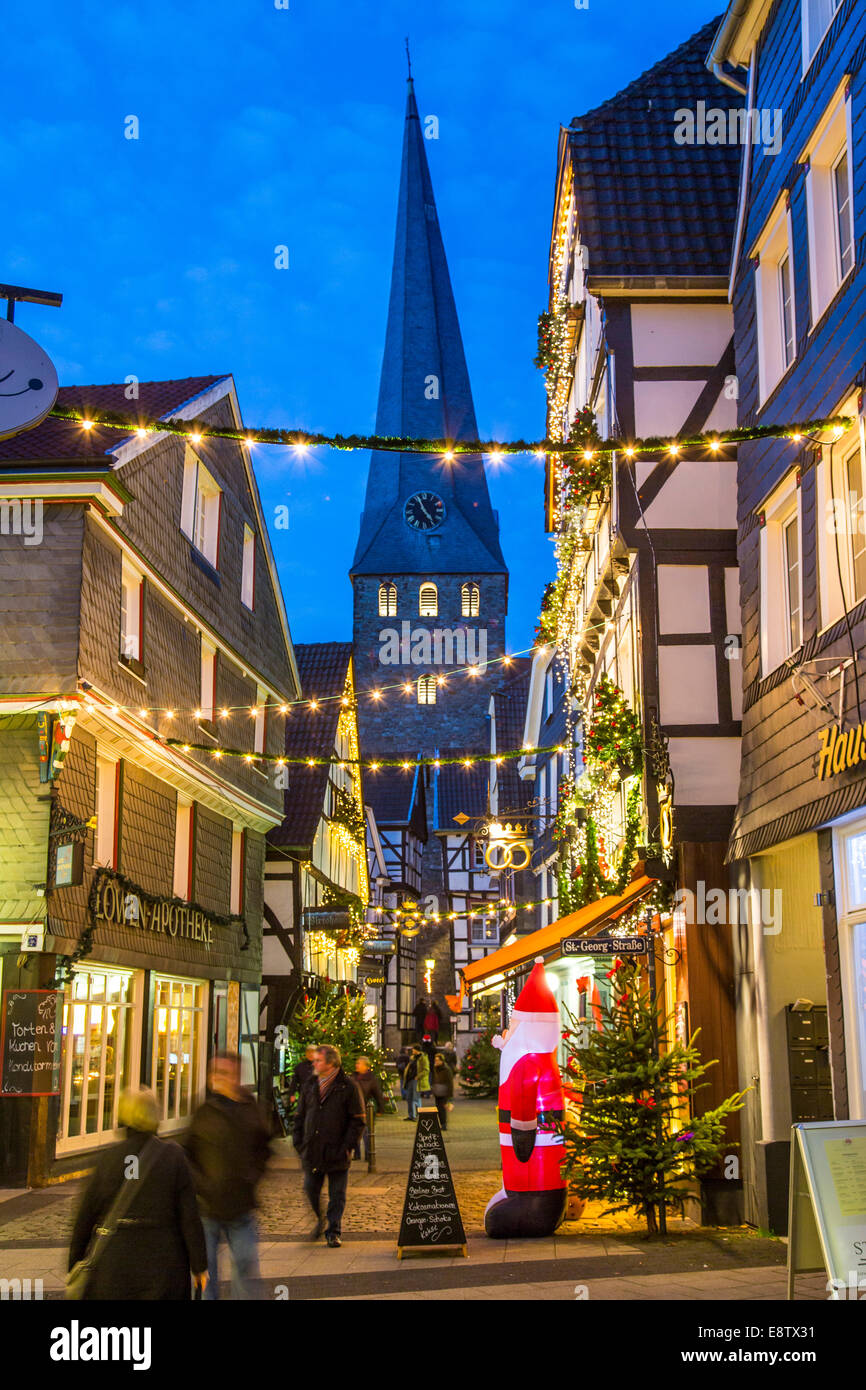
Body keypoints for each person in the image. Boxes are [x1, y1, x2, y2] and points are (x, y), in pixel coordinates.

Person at [68, 1086, 207, 1300]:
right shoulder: (173, 1157)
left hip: (114, 1261)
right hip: (163, 1261)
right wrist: (199, 1265)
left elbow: (86, 1215)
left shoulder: (108, 1158)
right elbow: (189, 1216)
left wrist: (75, 1261)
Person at [186, 1052, 272, 1300]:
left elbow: (264, 1149)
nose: (217, 1078)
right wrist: (201, 1185)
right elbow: (188, 1154)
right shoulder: (204, 1110)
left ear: (235, 1076)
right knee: (205, 1273)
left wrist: (251, 1177)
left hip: (241, 1204)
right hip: (207, 1207)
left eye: (223, 1073)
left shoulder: (251, 1108)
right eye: (214, 1072)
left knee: (245, 1267)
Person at [293, 1044, 365, 1248]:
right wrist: (298, 1141)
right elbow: (300, 1114)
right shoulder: (310, 1084)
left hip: (337, 1149)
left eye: (318, 1060)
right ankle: (320, 1219)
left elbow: (358, 1120)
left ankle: (333, 1231)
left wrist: (346, 1146)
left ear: (331, 1063)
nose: (313, 1063)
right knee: (310, 1188)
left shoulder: (347, 1086)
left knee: (337, 1194)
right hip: (312, 1148)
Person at [352, 1057, 386, 1161]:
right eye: (357, 1063)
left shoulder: (371, 1079)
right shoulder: (353, 1076)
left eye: (359, 1064)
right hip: (353, 1109)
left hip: (366, 1109)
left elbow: (378, 1094)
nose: (357, 1065)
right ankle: (356, 1154)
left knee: (366, 1132)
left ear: (366, 1066)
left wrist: (381, 1108)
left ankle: (368, 1154)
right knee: (354, 1131)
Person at [431, 1052, 455, 1131]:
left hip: (444, 1092)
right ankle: (441, 1123)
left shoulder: (446, 1069)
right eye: (435, 1060)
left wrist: (450, 1095)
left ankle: (444, 1124)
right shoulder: (435, 1068)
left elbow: (450, 1083)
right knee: (438, 1109)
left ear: (442, 1061)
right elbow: (434, 1079)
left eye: (438, 1060)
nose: (436, 1062)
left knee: (442, 1109)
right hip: (437, 1091)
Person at [402, 1047, 419, 1120]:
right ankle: (411, 1115)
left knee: (414, 1098)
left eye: (413, 1050)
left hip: (414, 1080)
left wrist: (417, 1076)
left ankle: (415, 1115)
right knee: (409, 1098)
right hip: (409, 1080)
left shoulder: (419, 1059)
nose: (412, 1051)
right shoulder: (412, 1059)